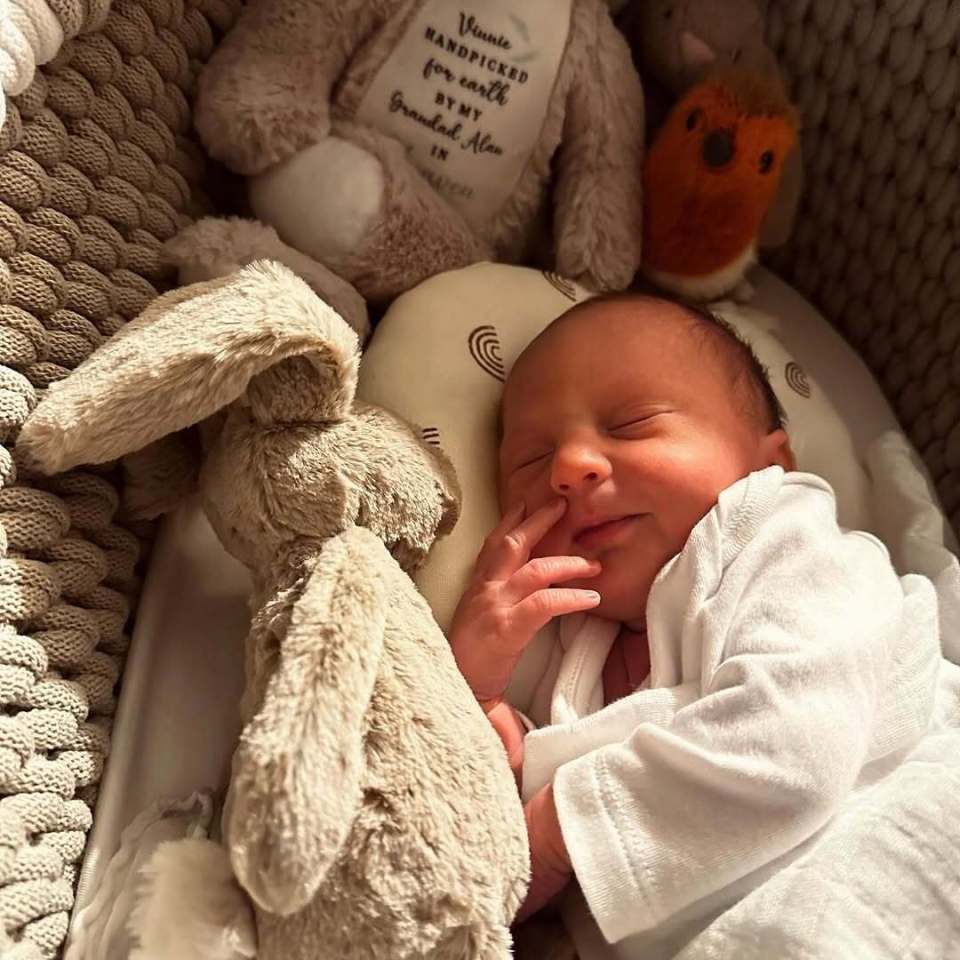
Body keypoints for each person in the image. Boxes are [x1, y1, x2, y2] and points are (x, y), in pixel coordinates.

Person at [448, 293, 941, 959]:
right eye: (531, 462)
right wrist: (479, 691)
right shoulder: (569, 637)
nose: (569, 467)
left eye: (631, 424)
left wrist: (563, 830)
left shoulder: (781, 538)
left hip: (895, 851)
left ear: (769, 464)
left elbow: (794, 745)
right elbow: (520, 792)